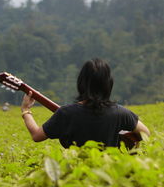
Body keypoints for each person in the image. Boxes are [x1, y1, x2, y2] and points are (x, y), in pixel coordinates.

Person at [21, 58, 150, 148]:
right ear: (108, 84)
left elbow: (37, 136)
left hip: (78, 179)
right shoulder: (121, 113)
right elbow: (146, 134)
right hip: (111, 176)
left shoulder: (66, 113)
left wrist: (26, 110)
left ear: (81, 83)